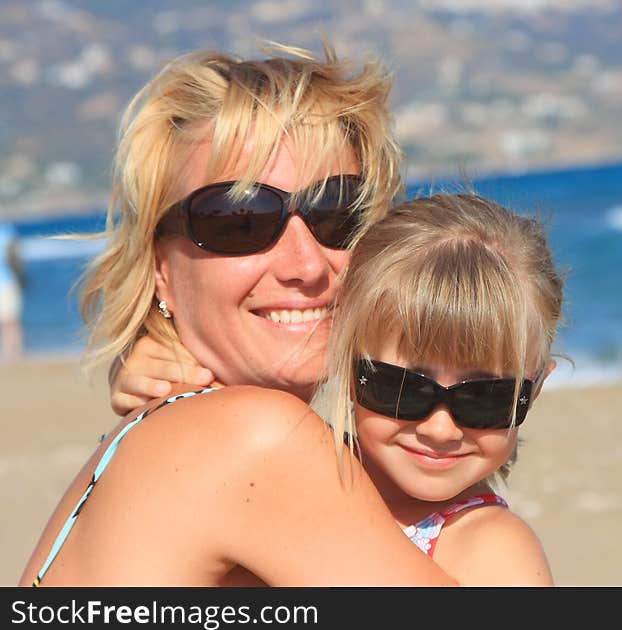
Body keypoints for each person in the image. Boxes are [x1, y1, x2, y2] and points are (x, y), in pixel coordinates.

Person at [20, 43, 455, 586]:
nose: (305, 264)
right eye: (239, 219)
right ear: (160, 268)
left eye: (338, 211)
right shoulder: (254, 436)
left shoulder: (174, 431)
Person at [117, 194, 565, 583]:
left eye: (483, 398)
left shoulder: (493, 551)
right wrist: (157, 371)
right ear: (345, 359)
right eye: (402, 388)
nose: (440, 429)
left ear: (534, 390)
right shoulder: (290, 462)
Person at [0, 222, 24, 361]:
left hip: (6, 281)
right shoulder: (6, 232)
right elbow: (15, 259)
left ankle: (12, 352)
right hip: (7, 282)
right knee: (11, 321)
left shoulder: (5, 231)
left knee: (10, 321)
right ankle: (14, 352)